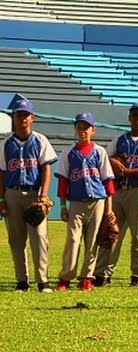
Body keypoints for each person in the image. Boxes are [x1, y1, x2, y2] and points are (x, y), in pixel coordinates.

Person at [94, 103, 138, 287]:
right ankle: (102, 273)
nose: (137, 118)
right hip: (119, 191)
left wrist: (124, 171)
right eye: (134, 115)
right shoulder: (120, 139)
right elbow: (104, 158)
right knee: (111, 232)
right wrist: (112, 162)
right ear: (129, 118)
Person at [0, 98, 58, 293]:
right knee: (16, 239)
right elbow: (2, 173)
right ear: (13, 117)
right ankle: (22, 281)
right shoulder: (6, 144)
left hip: (34, 193)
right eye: (19, 115)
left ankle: (43, 280)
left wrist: (43, 195)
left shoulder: (40, 140)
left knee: (40, 237)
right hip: (12, 193)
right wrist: (1, 200)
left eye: (26, 115)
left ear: (33, 118)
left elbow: (46, 170)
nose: (22, 118)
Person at [55, 112, 116, 291]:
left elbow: (108, 181)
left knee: (93, 241)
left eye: (86, 128)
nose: (82, 131)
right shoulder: (68, 152)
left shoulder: (100, 151)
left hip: (98, 201)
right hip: (76, 202)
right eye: (79, 127)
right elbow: (63, 182)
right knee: (73, 240)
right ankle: (66, 277)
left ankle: (86, 277)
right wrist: (63, 206)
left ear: (93, 130)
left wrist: (109, 209)